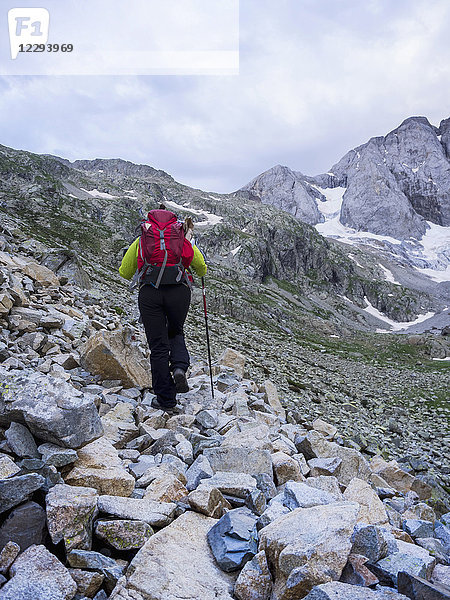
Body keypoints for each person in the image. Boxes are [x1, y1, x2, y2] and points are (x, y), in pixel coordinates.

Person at [119, 205, 207, 411]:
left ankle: (166, 400)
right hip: (179, 291)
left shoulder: (142, 239)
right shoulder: (180, 237)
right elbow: (201, 267)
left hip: (150, 292)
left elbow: (124, 271)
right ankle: (179, 367)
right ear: (173, 222)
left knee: (158, 346)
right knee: (176, 331)